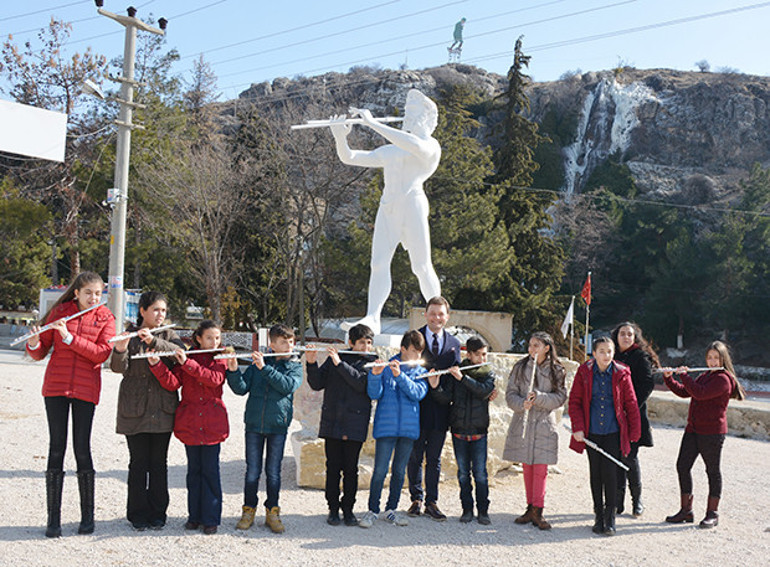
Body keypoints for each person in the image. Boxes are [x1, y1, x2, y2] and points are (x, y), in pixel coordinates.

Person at [330, 89, 442, 335]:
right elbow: (350, 157)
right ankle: (372, 317)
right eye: (406, 113)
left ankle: (438, 315)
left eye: (412, 113)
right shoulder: (392, 150)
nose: (406, 117)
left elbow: (415, 146)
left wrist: (373, 123)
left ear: (427, 117)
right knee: (379, 263)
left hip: (413, 204)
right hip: (388, 207)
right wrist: (340, 137)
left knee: (422, 266)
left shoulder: (431, 146)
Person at [25, 271, 115, 538]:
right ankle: (53, 521)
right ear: (76, 292)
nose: (93, 298)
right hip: (56, 387)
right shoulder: (60, 312)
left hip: (86, 390)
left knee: (82, 448)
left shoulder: (106, 317)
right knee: (56, 448)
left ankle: (88, 518)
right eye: (88, 293)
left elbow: (101, 353)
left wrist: (69, 339)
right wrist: (33, 343)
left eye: (98, 294)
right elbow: (40, 351)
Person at [111, 291, 184, 531]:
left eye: (163, 310)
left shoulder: (170, 335)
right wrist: (120, 349)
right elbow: (117, 368)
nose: (160, 315)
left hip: (163, 408)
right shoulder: (129, 335)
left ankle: (158, 513)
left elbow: (180, 355)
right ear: (142, 311)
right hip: (135, 408)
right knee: (138, 463)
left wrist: (154, 341)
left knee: (159, 463)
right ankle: (137, 514)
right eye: (155, 310)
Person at [149, 320, 229, 535]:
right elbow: (172, 383)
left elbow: (214, 379)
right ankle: (194, 516)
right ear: (199, 339)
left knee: (211, 472)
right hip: (191, 422)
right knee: (194, 472)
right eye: (210, 338)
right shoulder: (186, 357)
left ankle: (211, 518)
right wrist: (157, 365)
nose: (215, 341)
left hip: (212, 423)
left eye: (218, 338)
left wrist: (188, 364)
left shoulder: (220, 358)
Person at [226, 324, 302, 534]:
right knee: (252, 471)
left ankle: (273, 512)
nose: (289, 345)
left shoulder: (295, 365)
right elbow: (241, 389)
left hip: (278, 425)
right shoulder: (259, 363)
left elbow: (286, 386)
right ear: (272, 344)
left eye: (291, 341)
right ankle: (248, 510)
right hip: (254, 425)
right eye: (283, 341)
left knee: (273, 472)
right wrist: (232, 370)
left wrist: (264, 368)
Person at [663, 340, 746, 529]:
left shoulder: (724, 379)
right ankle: (686, 511)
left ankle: (712, 513)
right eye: (709, 358)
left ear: (723, 359)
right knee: (682, 466)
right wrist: (669, 378)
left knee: (712, 471)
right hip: (693, 430)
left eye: (716, 358)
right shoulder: (705, 375)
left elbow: (700, 393)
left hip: (712, 433)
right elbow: (686, 392)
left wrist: (685, 376)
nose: (712, 361)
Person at [568, 334, 641, 536]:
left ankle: (610, 518)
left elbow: (631, 404)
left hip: (613, 432)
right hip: (591, 432)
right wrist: (578, 427)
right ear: (594, 353)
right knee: (595, 474)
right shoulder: (584, 371)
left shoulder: (622, 373)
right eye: (602, 351)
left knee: (611, 474)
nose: (606, 355)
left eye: (609, 351)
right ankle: (598, 516)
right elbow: (574, 401)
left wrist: (634, 432)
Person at [305, 324, 375, 527]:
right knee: (333, 468)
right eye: (361, 342)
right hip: (333, 422)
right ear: (351, 343)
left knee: (351, 469)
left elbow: (360, 383)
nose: (365, 347)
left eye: (369, 343)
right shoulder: (336, 358)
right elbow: (317, 383)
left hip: (355, 423)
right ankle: (333, 509)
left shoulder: (371, 363)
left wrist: (339, 364)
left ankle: (349, 510)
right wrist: (311, 364)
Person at [359, 330, 429, 529]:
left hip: (408, 429)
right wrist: (375, 375)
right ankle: (372, 510)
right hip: (386, 427)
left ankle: (391, 509)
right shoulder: (387, 366)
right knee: (380, 470)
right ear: (403, 349)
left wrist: (400, 376)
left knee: (399, 472)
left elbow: (418, 393)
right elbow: (374, 394)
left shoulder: (419, 370)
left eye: (420, 352)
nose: (417, 357)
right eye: (414, 352)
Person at [504, 332, 567, 531]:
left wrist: (539, 398)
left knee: (540, 468)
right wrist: (521, 404)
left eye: (536, 345)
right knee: (527, 467)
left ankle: (539, 510)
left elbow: (560, 397)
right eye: (530, 345)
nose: (532, 349)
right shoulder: (521, 367)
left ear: (547, 348)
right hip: (523, 421)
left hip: (543, 424)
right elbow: (510, 394)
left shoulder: (556, 369)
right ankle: (529, 507)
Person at [429, 337, 496, 524]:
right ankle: (467, 509)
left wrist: (463, 378)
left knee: (481, 474)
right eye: (479, 355)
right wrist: (435, 387)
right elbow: (445, 398)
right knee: (463, 473)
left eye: (485, 354)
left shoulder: (488, 373)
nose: (483, 358)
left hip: (479, 431)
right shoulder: (456, 372)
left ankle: (483, 511)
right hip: (459, 431)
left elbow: (484, 391)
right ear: (469, 354)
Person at [407, 296, 461, 521]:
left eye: (441, 314)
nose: (436, 317)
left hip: (441, 410)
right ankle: (416, 499)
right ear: (425, 314)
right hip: (416, 407)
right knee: (415, 456)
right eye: (432, 313)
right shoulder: (414, 338)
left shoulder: (455, 345)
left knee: (435, 458)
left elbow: (455, 382)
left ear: (447, 317)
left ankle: (432, 501)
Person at [611, 322, 659, 517]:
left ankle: (636, 501)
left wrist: (629, 407)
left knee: (630, 458)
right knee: (615, 459)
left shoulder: (640, 357)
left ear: (635, 337)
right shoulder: (610, 354)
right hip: (613, 415)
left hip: (633, 415)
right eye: (622, 334)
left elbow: (647, 384)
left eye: (629, 334)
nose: (626, 337)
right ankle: (617, 503)